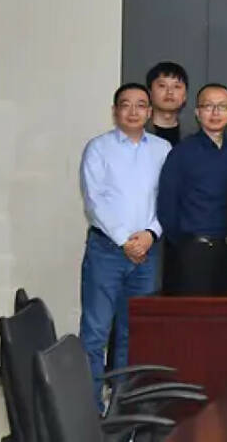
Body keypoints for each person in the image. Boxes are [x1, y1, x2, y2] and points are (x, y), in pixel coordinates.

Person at [78, 83, 168, 404]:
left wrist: (150, 234)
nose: (133, 111)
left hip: (148, 252)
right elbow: (94, 201)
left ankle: (124, 407)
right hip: (107, 250)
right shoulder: (98, 148)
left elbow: (168, 199)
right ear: (115, 111)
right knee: (96, 333)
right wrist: (124, 241)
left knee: (135, 335)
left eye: (140, 105)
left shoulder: (162, 149)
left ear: (150, 111)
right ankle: (89, 409)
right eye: (125, 105)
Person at [156, 83, 227, 295]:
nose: (215, 112)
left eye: (222, 106)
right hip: (193, 252)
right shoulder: (182, 152)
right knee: (193, 314)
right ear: (197, 112)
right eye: (208, 106)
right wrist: (185, 243)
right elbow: (167, 206)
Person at [145, 61, 188, 146]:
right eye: (162, 85)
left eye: (177, 86)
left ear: (185, 96)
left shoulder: (193, 137)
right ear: (149, 93)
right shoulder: (137, 133)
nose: (170, 92)